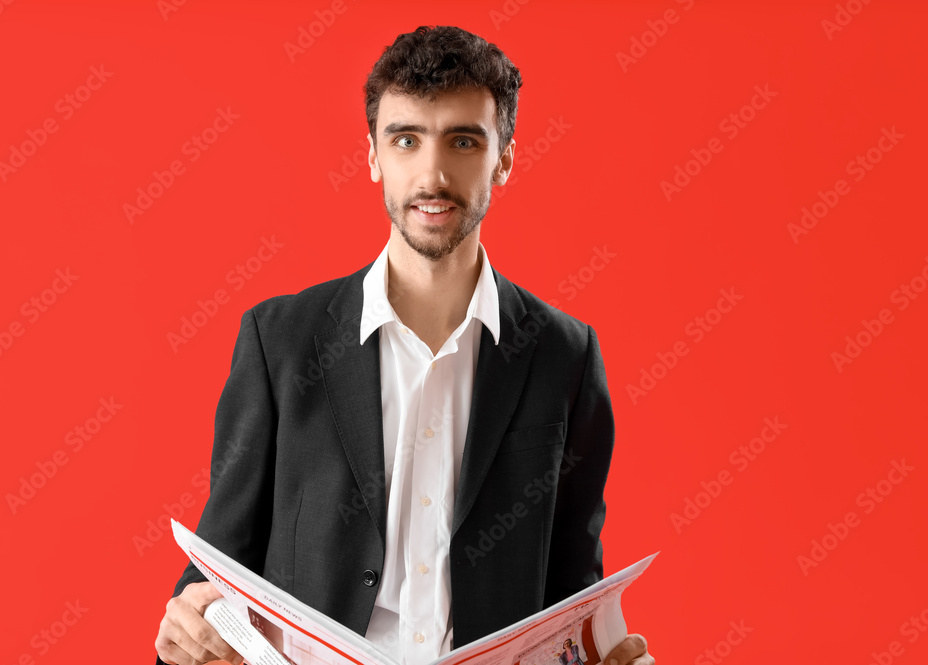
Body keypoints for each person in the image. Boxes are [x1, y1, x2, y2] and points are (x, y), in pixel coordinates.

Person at [154, 25, 654, 665]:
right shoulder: (278, 342)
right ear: (372, 156)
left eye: (464, 141)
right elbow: (215, 570)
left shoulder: (565, 356)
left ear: (503, 157)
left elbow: (573, 591)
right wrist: (184, 630)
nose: (433, 173)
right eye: (406, 139)